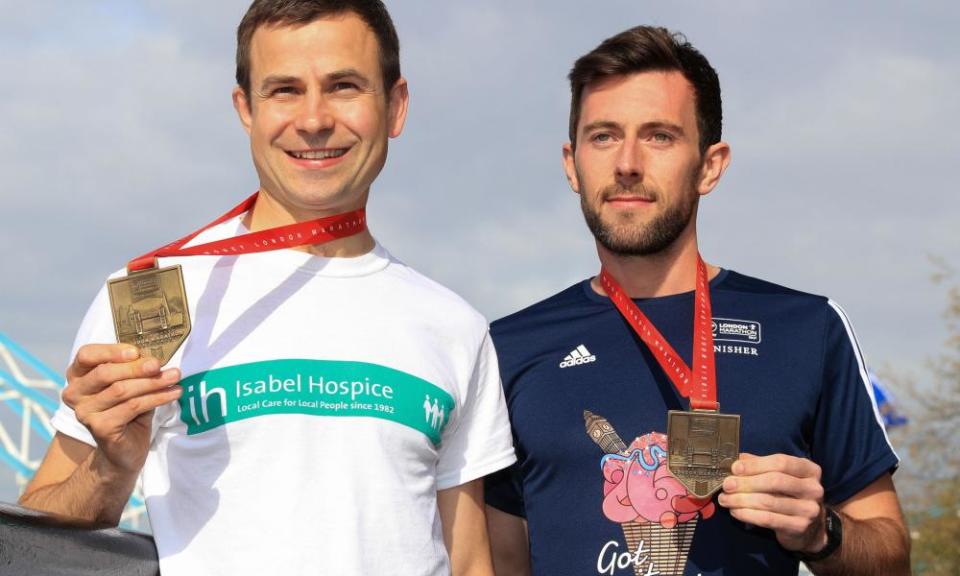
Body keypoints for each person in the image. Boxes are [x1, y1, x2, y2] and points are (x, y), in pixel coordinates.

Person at [18, 1, 515, 575]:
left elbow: (471, 561)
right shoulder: (153, 294)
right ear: (245, 110)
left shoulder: (455, 325)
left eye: (344, 86)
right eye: (283, 90)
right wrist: (112, 466)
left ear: (396, 106)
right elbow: (37, 543)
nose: (312, 119)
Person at [484, 26, 909, 576]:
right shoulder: (508, 347)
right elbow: (496, 561)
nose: (627, 163)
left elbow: (890, 554)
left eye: (659, 136)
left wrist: (819, 531)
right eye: (604, 136)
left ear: (710, 164)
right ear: (572, 164)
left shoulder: (807, 329)